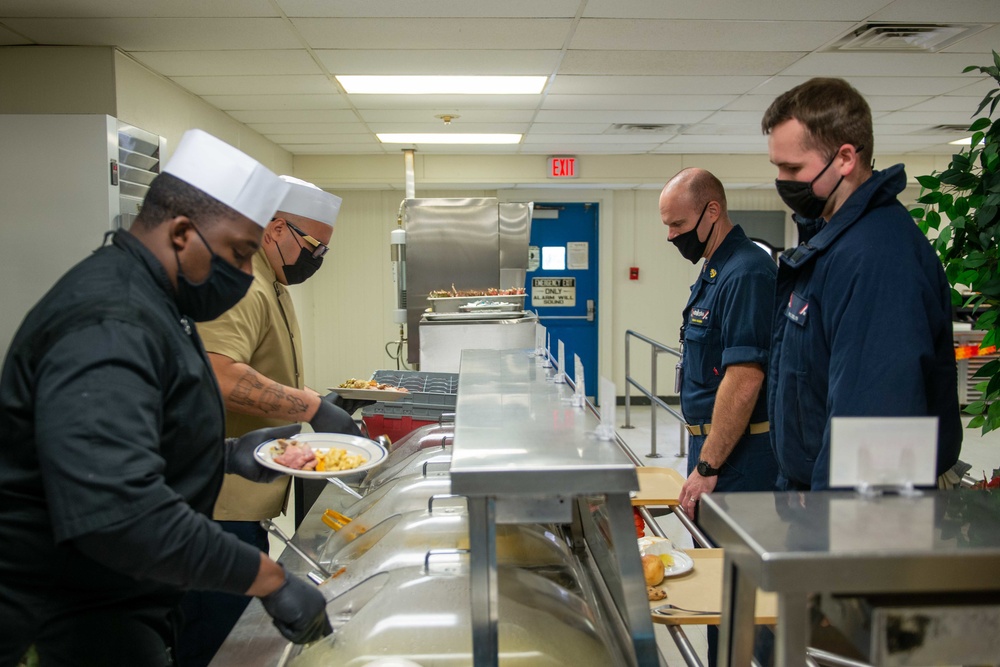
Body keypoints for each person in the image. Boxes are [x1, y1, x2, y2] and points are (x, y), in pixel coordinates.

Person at [0, 129, 330, 667]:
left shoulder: (154, 303)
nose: (247, 276)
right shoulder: (110, 321)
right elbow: (118, 512)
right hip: (56, 618)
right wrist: (267, 579)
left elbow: (126, 439)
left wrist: (224, 456)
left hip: (114, 600)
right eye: (239, 254)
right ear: (181, 233)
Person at [178, 176, 366, 666]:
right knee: (215, 641)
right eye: (310, 245)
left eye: (324, 249)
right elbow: (216, 373)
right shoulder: (240, 282)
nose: (317, 258)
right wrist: (311, 408)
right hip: (217, 502)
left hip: (241, 500)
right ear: (274, 227)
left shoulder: (270, 278)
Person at [761, 77, 963, 491]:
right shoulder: (832, 244)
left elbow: (877, 433)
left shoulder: (877, 257)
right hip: (813, 498)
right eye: (777, 167)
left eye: (793, 168)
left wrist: (831, 531)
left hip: (850, 519)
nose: (782, 181)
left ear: (846, 158)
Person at [661, 168, 779, 520]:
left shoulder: (747, 272)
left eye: (678, 224)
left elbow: (745, 377)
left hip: (739, 456)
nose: (671, 236)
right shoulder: (717, 267)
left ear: (712, 212)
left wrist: (709, 467)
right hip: (713, 445)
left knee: (728, 565)